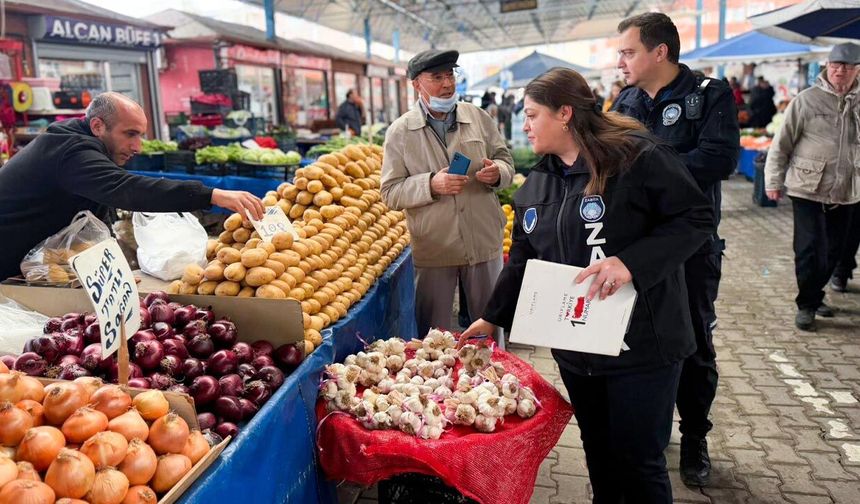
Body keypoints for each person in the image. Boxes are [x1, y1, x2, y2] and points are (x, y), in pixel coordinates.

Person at [460, 67, 715, 504]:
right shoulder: (536, 184)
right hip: (579, 352)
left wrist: (631, 263)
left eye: (531, 114)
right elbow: (522, 259)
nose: (523, 124)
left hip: (643, 345)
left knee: (639, 462)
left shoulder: (636, 156)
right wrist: (491, 317)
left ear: (564, 114)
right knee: (599, 454)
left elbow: (695, 217)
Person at [611, 12, 740, 487]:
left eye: (628, 51)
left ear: (658, 52)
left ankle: (695, 438)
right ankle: (654, 429)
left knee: (694, 346)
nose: (620, 61)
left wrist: (646, 173)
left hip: (690, 248)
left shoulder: (708, 95)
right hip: (634, 252)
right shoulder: (625, 100)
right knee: (646, 343)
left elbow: (719, 158)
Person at [0, 92, 264, 282]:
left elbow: (97, 213)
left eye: (141, 135)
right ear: (97, 126)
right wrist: (212, 195)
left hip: (32, 261)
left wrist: (114, 272)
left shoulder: (84, 143)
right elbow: (126, 189)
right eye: (130, 134)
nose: (138, 147)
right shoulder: (72, 151)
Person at [380, 49, 515, 342]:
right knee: (433, 338)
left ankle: (494, 383)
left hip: (483, 240)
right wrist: (431, 184)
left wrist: (498, 173)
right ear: (416, 84)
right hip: (434, 246)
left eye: (450, 75)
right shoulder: (400, 132)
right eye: (437, 77)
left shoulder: (478, 117)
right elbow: (390, 192)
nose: (447, 83)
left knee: (490, 332)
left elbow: (505, 159)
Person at [765, 42, 860, 330]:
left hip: (848, 190)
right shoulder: (806, 100)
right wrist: (773, 181)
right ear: (827, 67)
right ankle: (806, 305)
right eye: (834, 65)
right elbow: (781, 145)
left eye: (846, 66)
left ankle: (816, 296)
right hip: (807, 187)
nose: (839, 71)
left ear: (857, 70)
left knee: (835, 250)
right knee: (809, 249)